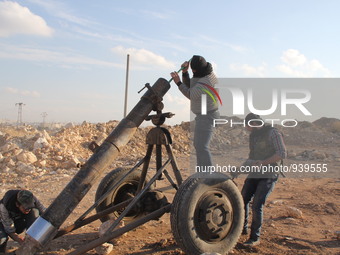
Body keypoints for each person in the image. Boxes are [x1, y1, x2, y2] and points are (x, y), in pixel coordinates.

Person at [240, 113, 286, 247]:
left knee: (257, 204)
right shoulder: (253, 135)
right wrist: (239, 169)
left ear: (254, 123)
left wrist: (264, 162)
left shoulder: (273, 133)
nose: (246, 127)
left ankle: (254, 238)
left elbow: (282, 153)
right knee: (242, 199)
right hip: (255, 173)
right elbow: (252, 157)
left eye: (247, 125)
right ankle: (241, 228)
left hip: (269, 174)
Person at [170, 55, 220, 171]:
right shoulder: (205, 73)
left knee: (202, 146)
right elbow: (192, 86)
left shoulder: (206, 82)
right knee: (199, 146)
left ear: (196, 70)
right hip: (205, 115)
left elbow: (190, 94)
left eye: (193, 70)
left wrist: (178, 83)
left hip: (207, 116)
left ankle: (208, 175)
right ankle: (203, 172)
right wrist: (185, 73)